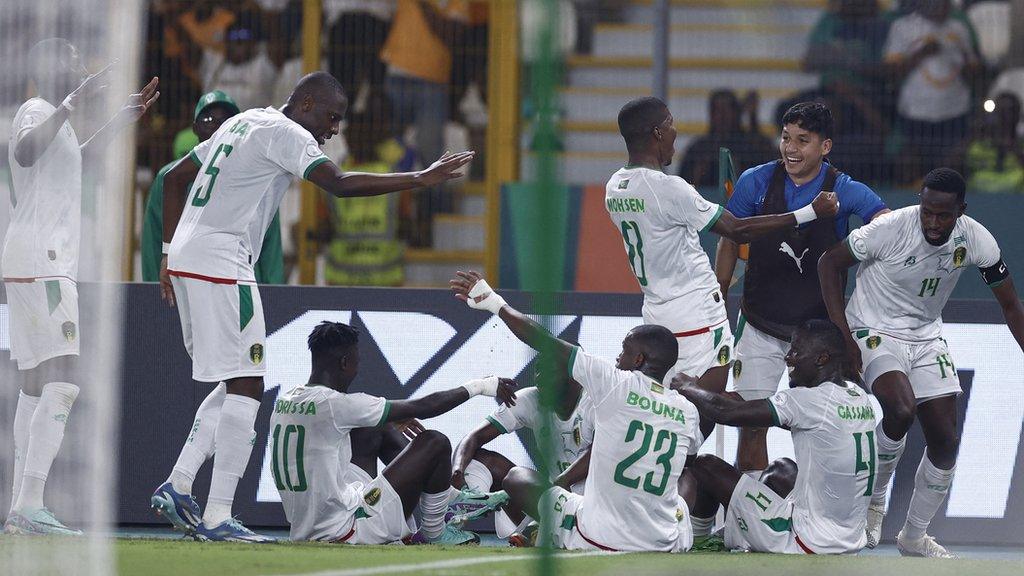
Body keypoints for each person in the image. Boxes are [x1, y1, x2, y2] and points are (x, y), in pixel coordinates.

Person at [149, 71, 473, 542]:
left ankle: (180, 483)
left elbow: (173, 178)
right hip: (222, 260)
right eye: (331, 116)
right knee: (248, 383)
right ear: (305, 105)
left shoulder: (245, 122)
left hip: (189, 257)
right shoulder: (288, 132)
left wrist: (167, 251)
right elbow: (338, 184)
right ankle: (218, 515)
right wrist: (420, 178)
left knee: (236, 378)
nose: (335, 129)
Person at [818, 167, 1024, 557]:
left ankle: (913, 535)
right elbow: (829, 264)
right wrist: (843, 335)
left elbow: (1011, 304)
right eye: (926, 211)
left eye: (943, 215)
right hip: (873, 328)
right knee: (899, 410)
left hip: (927, 335)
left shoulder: (977, 240)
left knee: (946, 441)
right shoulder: (890, 228)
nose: (932, 222)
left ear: (960, 210)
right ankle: (873, 504)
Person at [3, 39, 158, 535]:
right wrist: (71, 101)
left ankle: (19, 508)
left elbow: (77, 167)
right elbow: (27, 153)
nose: (78, 67)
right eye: (68, 60)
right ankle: (30, 503)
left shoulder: (57, 119)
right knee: (65, 377)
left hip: (33, 260)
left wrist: (120, 120)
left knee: (34, 384)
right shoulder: (37, 109)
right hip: (43, 261)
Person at [449, 270, 702, 552]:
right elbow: (687, 458)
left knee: (519, 478)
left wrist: (495, 303)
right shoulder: (687, 410)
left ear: (639, 359)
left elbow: (543, 340)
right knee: (682, 488)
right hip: (661, 540)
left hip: (602, 536)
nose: (618, 358)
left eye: (624, 351)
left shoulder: (614, 384)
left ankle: (542, 531)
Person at [605, 97, 840, 399]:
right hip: (696, 315)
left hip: (656, 312)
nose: (676, 132)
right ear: (657, 133)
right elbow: (737, 230)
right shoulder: (669, 189)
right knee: (702, 408)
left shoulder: (614, 188)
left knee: (662, 407)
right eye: (671, 125)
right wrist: (810, 211)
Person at [716, 102, 888, 478]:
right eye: (786, 138)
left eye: (803, 141)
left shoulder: (846, 190)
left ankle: (809, 517)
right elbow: (729, 239)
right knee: (751, 425)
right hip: (759, 324)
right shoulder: (754, 181)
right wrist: (719, 292)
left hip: (817, 342)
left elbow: (885, 226)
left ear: (825, 147)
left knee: (817, 432)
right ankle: (752, 518)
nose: (790, 149)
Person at [270, 321, 512, 544]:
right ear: (345, 363)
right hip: (348, 529)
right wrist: (482, 386)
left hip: (313, 519)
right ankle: (435, 531)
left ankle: (447, 497)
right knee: (434, 442)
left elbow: (342, 419)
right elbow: (426, 407)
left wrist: (388, 418)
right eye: (356, 361)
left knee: (374, 426)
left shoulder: (286, 400)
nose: (357, 368)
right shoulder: (336, 405)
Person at [678, 319, 876, 555]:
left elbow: (725, 413)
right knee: (780, 470)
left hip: (807, 541)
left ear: (822, 359)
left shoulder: (808, 401)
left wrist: (687, 386)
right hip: (849, 539)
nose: (788, 357)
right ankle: (743, 528)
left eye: (796, 351)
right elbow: (768, 415)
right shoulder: (858, 396)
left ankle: (699, 545)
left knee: (705, 465)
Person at [450, 368, 594, 542]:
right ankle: (454, 526)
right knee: (485, 463)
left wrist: (561, 482)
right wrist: (457, 472)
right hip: (550, 504)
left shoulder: (595, 403)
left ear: (575, 377)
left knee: (518, 478)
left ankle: (547, 532)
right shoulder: (530, 398)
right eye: (539, 368)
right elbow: (474, 437)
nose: (540, 377)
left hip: (593, 509)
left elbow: (601, 454)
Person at [884, 0, 981, 181]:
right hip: (915, 112)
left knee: (951, 168)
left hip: (955, 110)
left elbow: (976, 72)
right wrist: (921, 53)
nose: (941, 7)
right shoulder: (903, 26)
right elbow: (890, 73)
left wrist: (961, 59)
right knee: (911, 164)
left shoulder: (958, 28)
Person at [675, 89, 774, 188]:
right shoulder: (699, 149)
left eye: (726, 111)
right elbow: (684, 185)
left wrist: (753, 120)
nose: (722, 117)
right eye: (717, 111)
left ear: (736, 114)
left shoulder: (751, 145)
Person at [964, 92, 1024, 194]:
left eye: (1009, 111)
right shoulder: (979, 142)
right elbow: (952, 164)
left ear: (1018, 115)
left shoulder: (1021, 143)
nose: (1004, 116)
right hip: (979, 195)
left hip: (1017, 197)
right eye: (1000, 111)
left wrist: (1013, 147)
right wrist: (974, 134)